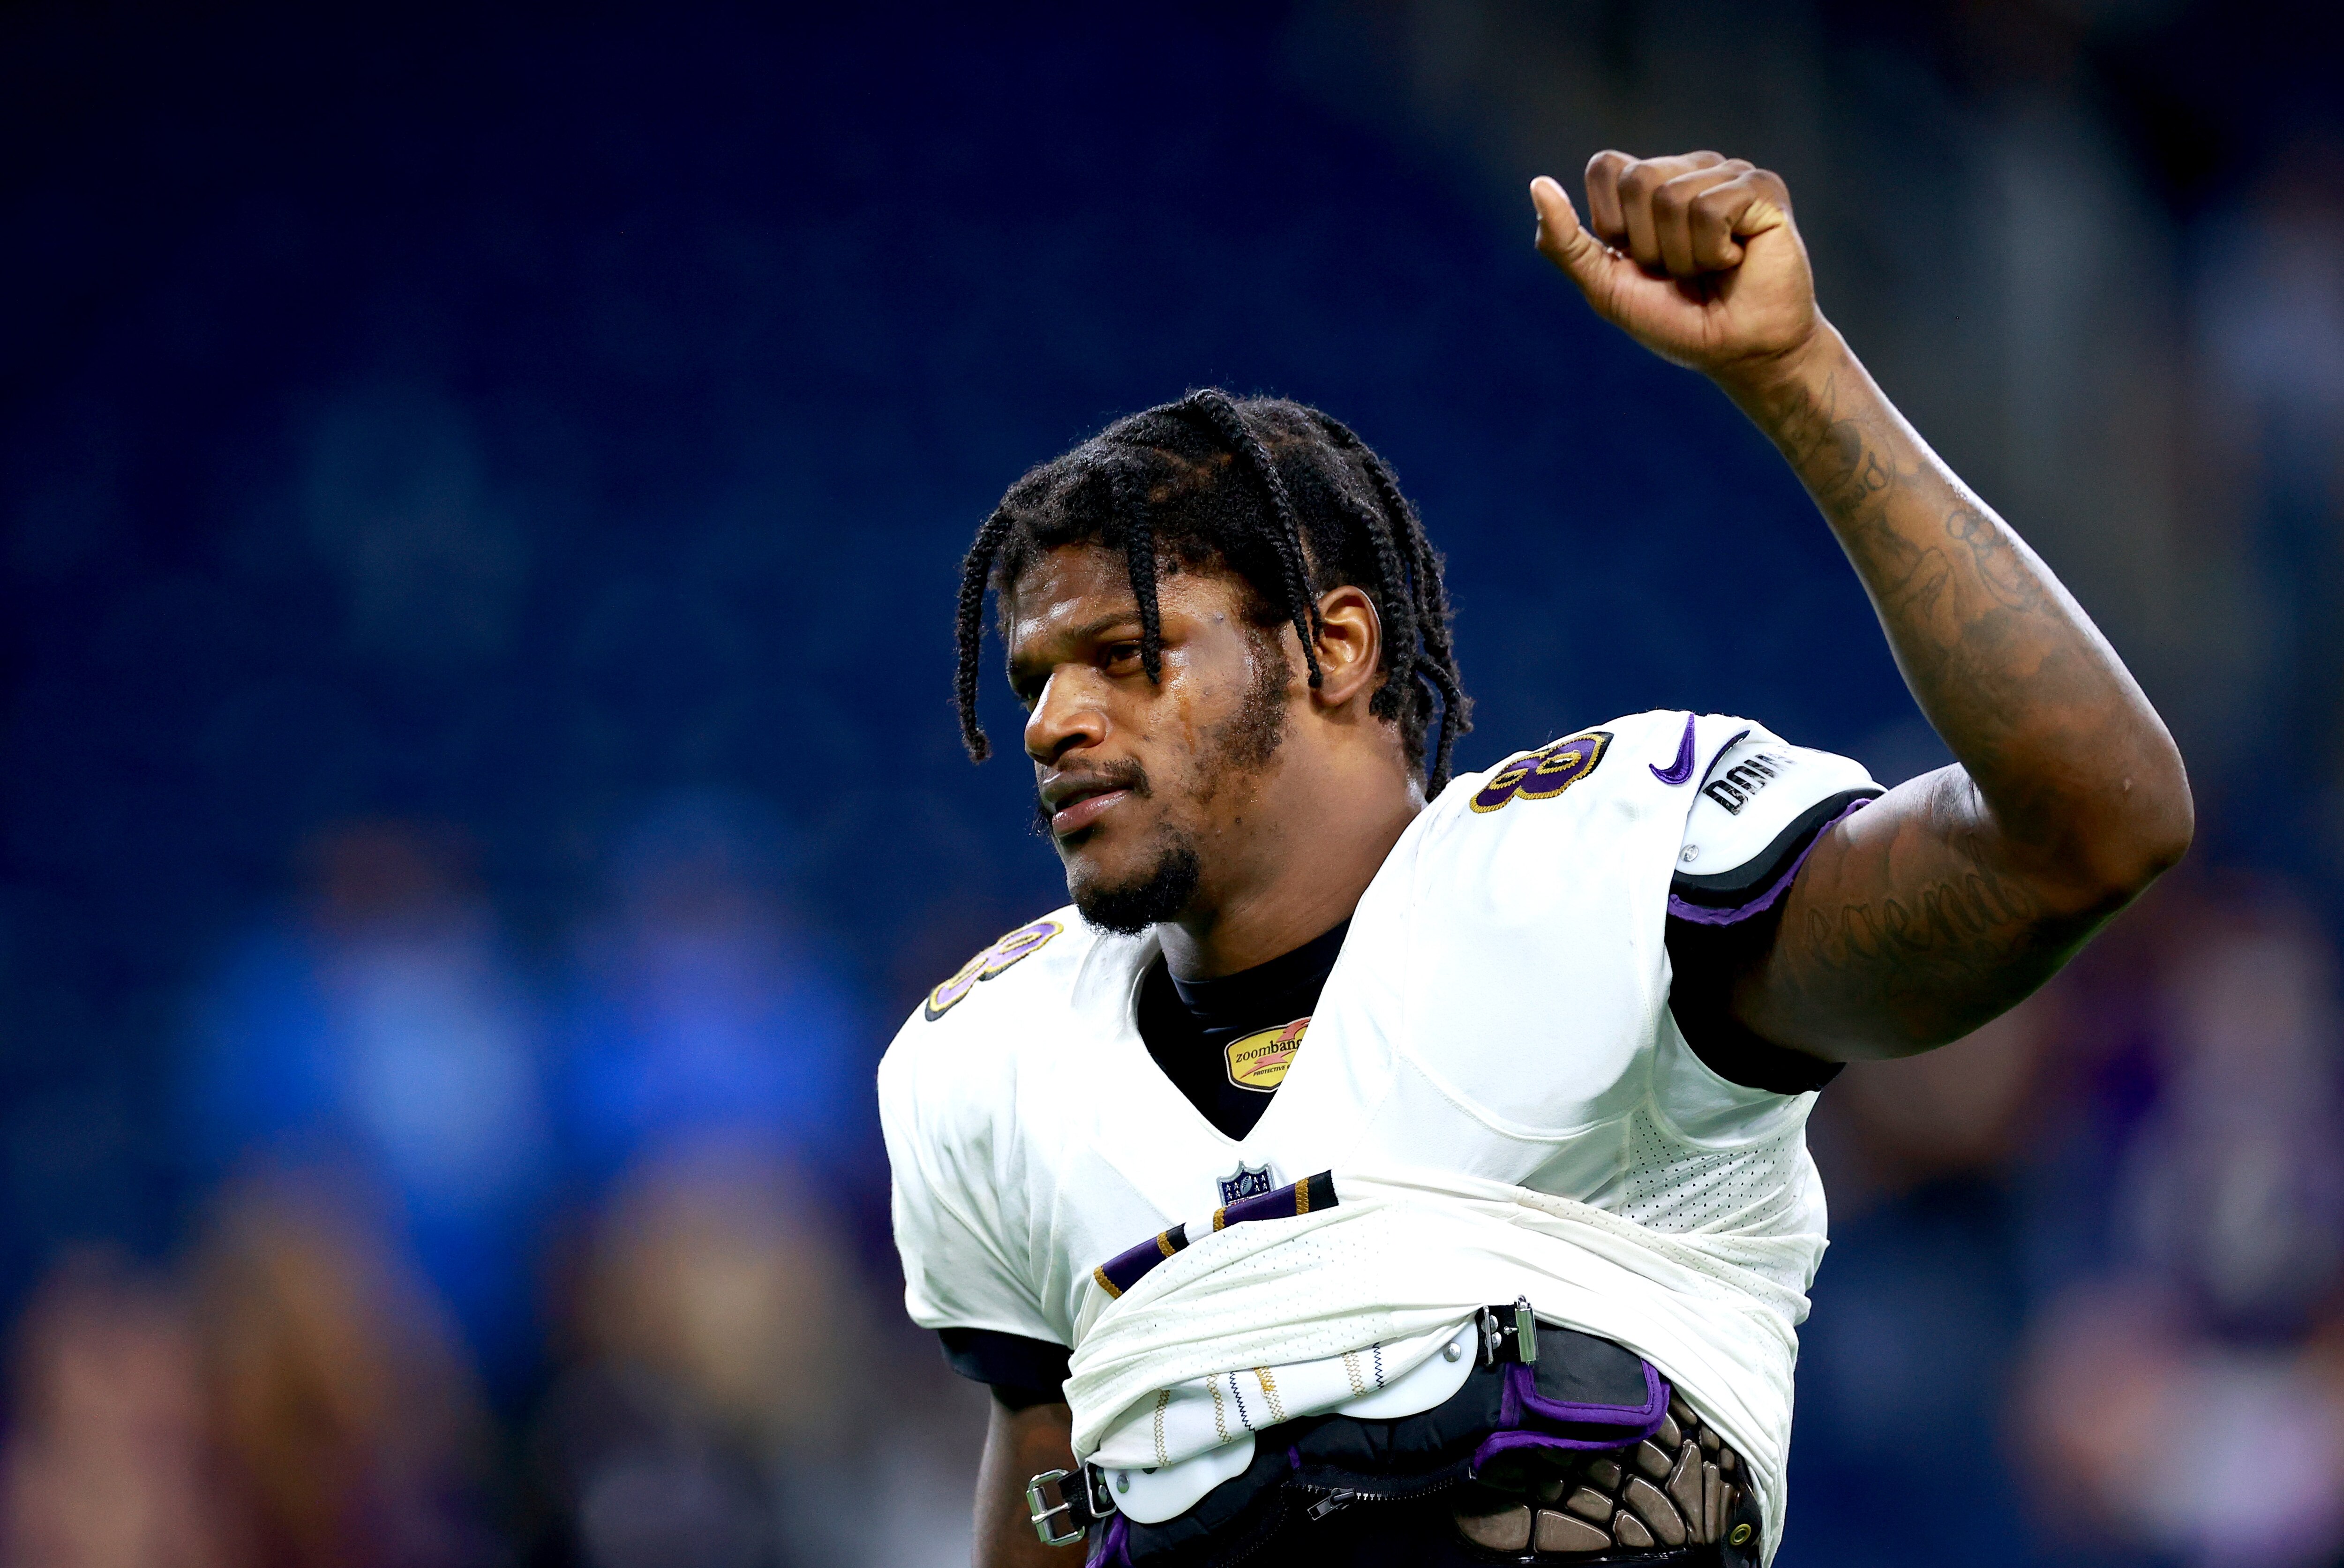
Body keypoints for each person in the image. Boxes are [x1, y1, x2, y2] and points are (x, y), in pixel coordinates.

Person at [879, 151, 2191, 1567]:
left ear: (1335, 645)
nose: (1054, 722)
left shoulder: (1600, 873)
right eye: (1034, 681)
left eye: (1127, 656)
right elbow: (1052, 1475)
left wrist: (1798, 373)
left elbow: (2091, 828)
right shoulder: (995, 1064)